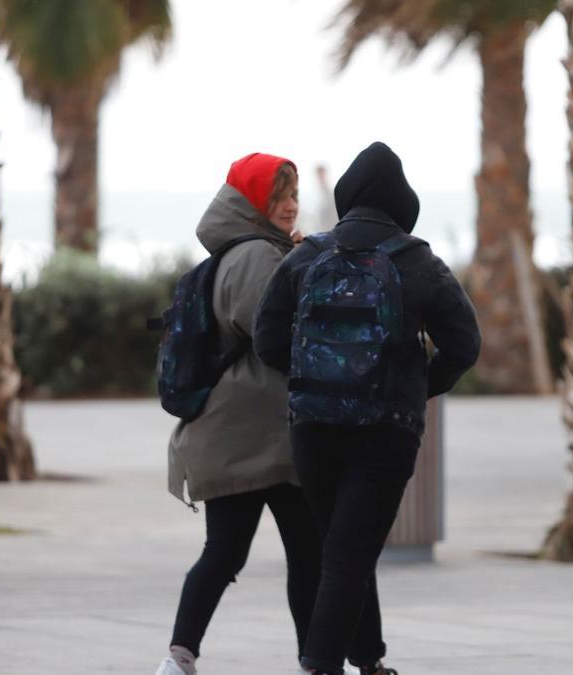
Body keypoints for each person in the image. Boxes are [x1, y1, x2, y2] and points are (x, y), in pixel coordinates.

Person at [254, 142, 481, 675]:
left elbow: (266, 339)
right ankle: (321, 664)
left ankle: (368, 658)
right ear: (402, 201)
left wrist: (315, 375)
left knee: (344, 542)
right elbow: (464, 343)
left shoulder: (307, 255)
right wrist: (418, 386)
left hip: (313, 426)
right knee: (351, 551)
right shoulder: (416, 259)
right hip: (385, 428)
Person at [157, 153, 321, 675]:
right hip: (254, 437)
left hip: (251, 435)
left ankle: (179, 659)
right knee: (270, 554)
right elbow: (274, 336)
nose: (291, 207)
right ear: (254, 202)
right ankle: (308, 662)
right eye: (279, 197)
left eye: (293, 196)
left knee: (242, 554)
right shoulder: (256, 256)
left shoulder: (259, 250)